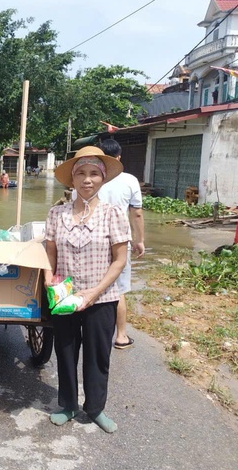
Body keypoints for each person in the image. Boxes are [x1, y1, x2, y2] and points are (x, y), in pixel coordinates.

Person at [44, 146, 130, 433]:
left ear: (102, 179)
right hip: (65, 296)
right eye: (81, 173)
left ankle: (95, 408)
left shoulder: (113, 214)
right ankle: (67, 404)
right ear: (72, 179)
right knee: (65, 351)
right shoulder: (57, 214)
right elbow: (50, 253)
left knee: (98, 355)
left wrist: (94, 292)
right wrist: (48, 278)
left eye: (94, 173)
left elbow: (119, 260)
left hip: (102, 297)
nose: (87, 180)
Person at [98, 139, 145, 350]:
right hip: (119, 241)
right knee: (118, 290)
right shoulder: (130, 180)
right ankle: (121, 336)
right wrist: (139, 240)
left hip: (92, 241)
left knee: (92, 285)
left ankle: (91, 332)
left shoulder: (90, 178)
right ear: (119, 158)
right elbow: (136, 213)